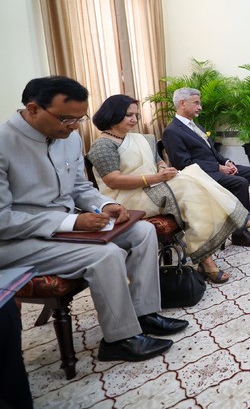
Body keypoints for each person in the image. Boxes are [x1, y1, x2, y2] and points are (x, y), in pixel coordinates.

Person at [0, 77, 187, 362]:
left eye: (80, 119)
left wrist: (105, 204)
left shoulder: (69, 138)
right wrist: (73, 223)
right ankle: (120, 340)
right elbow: (3, 218)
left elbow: (79, 187)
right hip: (17, 241)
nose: (75, 126)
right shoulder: (4, 143)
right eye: (66, 119)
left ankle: (144, 314)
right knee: (106, 255)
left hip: (65, 225)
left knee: (143, 232)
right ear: (34, 109)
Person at [87, 95, 250, 284]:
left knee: (193, 176)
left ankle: (207, 253)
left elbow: (158, 161)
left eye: (136, 115)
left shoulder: (140, 138)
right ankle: (226, 229)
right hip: (127, 197)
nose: (134, 119)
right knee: (188, 188)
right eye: (128, 115)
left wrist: (163, 169)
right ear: (112, 114)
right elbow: (113, 181)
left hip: (153, 186)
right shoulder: (103, 145)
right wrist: (156, 178)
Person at [162, 87, 250, 247]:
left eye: (200, 103)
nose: (200, 107)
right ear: (182, 103)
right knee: (240, 182)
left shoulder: (196, 126)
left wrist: (226, 162)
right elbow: (183, 163)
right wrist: (218, 168)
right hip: (199, 175)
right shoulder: (172, 131)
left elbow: (212, 152)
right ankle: (240, 233)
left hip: (215, 168)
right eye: (196, 103)